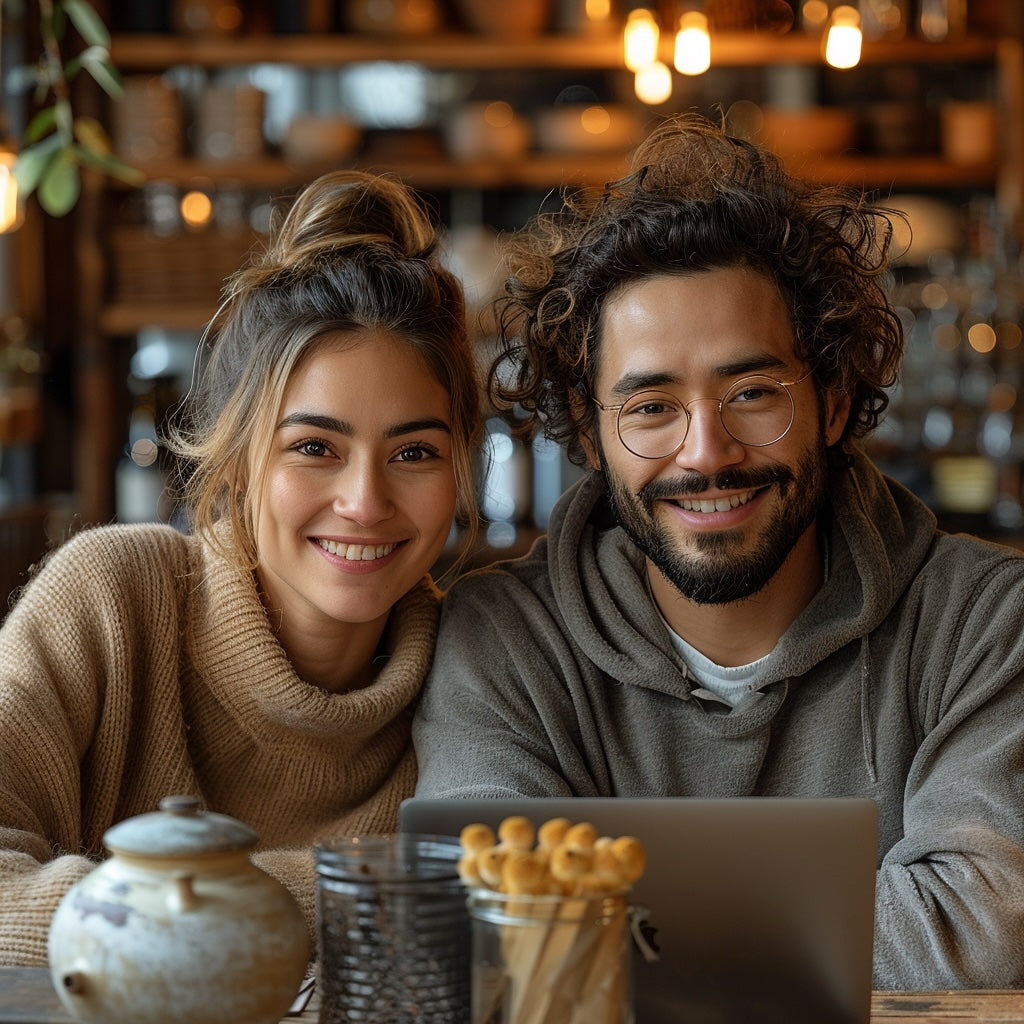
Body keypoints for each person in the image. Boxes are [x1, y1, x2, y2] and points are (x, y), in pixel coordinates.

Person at [413, 114, 1024, 990]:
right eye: (651, 406)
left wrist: (597, 914)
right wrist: (845, 916)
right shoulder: (503, 638)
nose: (706, 452)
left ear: (838, 402)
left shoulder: (985, 621)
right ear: (588, 432)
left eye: (752, 392)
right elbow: (486, 930)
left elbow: (982, 929)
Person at [0, 169, 482, 965]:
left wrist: (152, 910)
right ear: (234, 464)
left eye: (415, 452)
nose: (365, 501)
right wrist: (347, 897)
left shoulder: (481, 669)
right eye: (314, 449)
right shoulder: (114, 598)